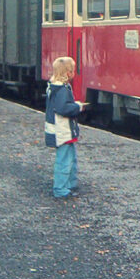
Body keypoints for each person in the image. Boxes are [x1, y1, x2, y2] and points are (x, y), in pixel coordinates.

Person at [44, 56, 86, 199]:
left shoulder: (54, 87)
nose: (74, 72)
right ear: (68, 73)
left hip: (62, 130)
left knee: (69, 158)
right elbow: (63, 109)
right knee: (64, 161)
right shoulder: (61, 89)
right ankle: (61, 189)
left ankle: (69, 185)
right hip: (62, 131)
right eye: (73, 70)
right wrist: (77, 106)